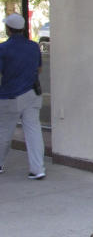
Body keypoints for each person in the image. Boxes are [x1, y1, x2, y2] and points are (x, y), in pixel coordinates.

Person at [0, 12, 46, 179]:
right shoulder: (33, 46)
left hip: (9, 96)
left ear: (8, 29)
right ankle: (38, 169)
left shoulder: (3, 49)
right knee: (34, 132)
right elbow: (39, 69)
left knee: (4, 132)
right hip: (32, 94)